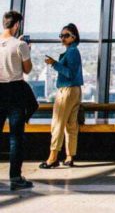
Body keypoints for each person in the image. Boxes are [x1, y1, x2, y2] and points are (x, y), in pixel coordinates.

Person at [40, 23, 84, 169]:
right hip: (75, 91)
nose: (62, 38)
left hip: (66, 91)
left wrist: (54, 64)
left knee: (57, 124)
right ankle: (70, 156)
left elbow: (69, 73)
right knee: (71, 125)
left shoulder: (72, 52)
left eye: (65, 36)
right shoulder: (73, 51)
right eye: (61, 36)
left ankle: (52, 157)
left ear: (74, 37)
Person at [0, 11, 34, 190]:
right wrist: (27, 49)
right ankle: (15, 177)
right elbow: (27, 69)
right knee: (16, 137)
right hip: (15, 91)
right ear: (16, 25)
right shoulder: (20, 45)